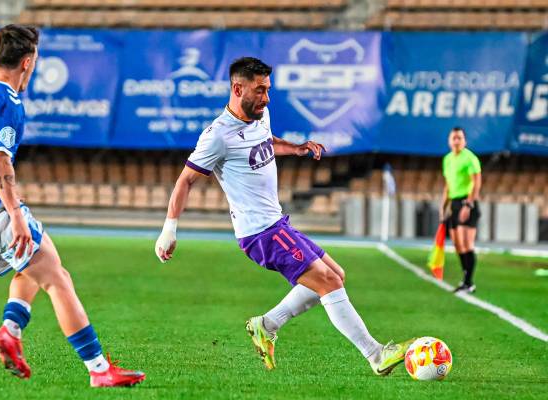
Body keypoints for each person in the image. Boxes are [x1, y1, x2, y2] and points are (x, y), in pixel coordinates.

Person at [154, 57, 414, 374]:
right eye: (260, 90)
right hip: (260, 232)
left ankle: (267, 324)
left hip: (276, 223)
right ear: (237, 88)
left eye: (268, 90)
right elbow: (185, 180)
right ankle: (376, 355)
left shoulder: (261, 116)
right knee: (328, 282)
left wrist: (298, 148)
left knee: (336, 274)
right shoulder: (217, 136)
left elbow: (267, 142)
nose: (266, 98)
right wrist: (169, 229)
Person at [0, 24, 144, 387]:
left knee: (30, 268)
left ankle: (10, 331)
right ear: (29, 62)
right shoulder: (7, 101)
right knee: (58, 279)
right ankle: (99, 370)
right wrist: (15, 215)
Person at [440, 126, 481, 294]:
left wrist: (469, 204)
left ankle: (469, 281)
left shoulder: (470, 158)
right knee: (457, 245)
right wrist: (443, 206)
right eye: (454, 138)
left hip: (467, 203)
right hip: (454, 204)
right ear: (449, 141)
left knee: (466, 243)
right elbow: (448, 185)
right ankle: (465, 279)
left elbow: (477, 181)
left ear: (464, 141)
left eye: (460, 138)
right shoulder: (447, 159)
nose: (457, 141)